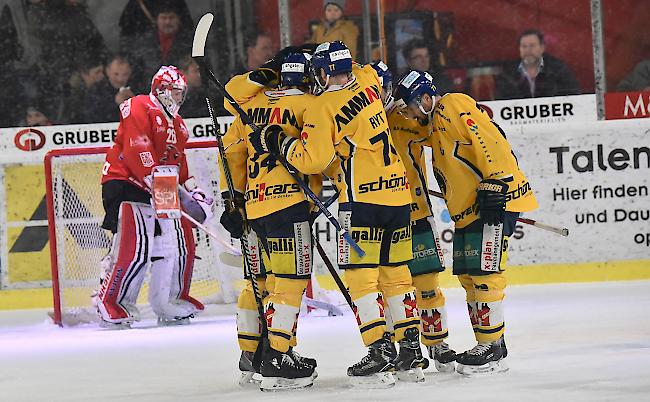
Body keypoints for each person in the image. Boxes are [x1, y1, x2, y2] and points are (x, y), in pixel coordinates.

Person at [252, 41, 422, 388]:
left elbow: (311, 160)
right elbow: (368, 67)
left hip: (362, 201)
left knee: (361, 277)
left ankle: (379, 351)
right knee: (397, 274)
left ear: (323, 73)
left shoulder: (321, 106)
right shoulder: (368, 82)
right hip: (398, 195)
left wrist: (277, 141)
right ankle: (410, 352)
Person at [393, 70, 538, 375]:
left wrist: (499, 181)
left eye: (410, 105)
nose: (409, 112)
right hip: (470, 211)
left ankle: (493, 347)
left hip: (492, 203)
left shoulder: (453, 105)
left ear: (426, 98)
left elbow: (490, 139)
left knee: (486, 274)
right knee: (471, 278)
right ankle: (489, 343)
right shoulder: (433, 126)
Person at [219, 52, 319, 391]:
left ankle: (252, 354)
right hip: (289, 204)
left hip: (253, 207)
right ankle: (279, 355)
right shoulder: (308, 104)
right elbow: (315, 156)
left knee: (258, 282)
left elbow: (231, 150)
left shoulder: (250, 106)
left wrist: (231, 200)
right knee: (289, 282)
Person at [96, 65, 214, 328]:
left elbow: (177, 162)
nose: (179, 99)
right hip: (125, 182)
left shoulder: (179, 126)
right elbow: (137, 145)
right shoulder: (138, 105)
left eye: (182, 94)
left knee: (176, 246)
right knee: (135, 247)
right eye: (175, 92)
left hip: (154, 186)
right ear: (161, 90)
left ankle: (169, 300)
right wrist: (154, 179)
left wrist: (192, 190)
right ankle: (110, 299)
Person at [370, 61, 457, 373]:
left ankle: (437, 342)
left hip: (416, 212)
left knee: (426, 283)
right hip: (376, 216)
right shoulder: (355, 121)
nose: (375, 95)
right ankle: (401, 349)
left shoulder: (407, 116)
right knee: (389, 288)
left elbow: (445, 142)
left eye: (380, 88)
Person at [126, 1, 193, 94]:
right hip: (150, 96)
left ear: (179, 19)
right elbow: (136, 73)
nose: (167, 22)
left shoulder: (191, 42)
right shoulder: (144, 42)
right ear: (157, 20)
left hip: (182, 96)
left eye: (171, 17)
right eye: (163, 18)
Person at [496, 29, 581, 99]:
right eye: (524, 46)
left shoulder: (558, 69)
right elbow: (501, 101)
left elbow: (573, 96)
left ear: (542, 48)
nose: (528, 50)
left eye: (532, 46)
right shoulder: (507, 73)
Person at [79, 54, 135, 124]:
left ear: (130, 72)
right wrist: (115, 103)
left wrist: (137, 103)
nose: (120, 79)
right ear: (108, 71)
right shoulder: (96, 91)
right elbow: (91, 118)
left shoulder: (138, 88)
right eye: (116, 74)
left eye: (125, 74)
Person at [61, 56, 105, 124]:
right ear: (84, 74)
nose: (102, 75)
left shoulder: (99, 90)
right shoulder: (72, 95)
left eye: (102, 71)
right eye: (97, 72)